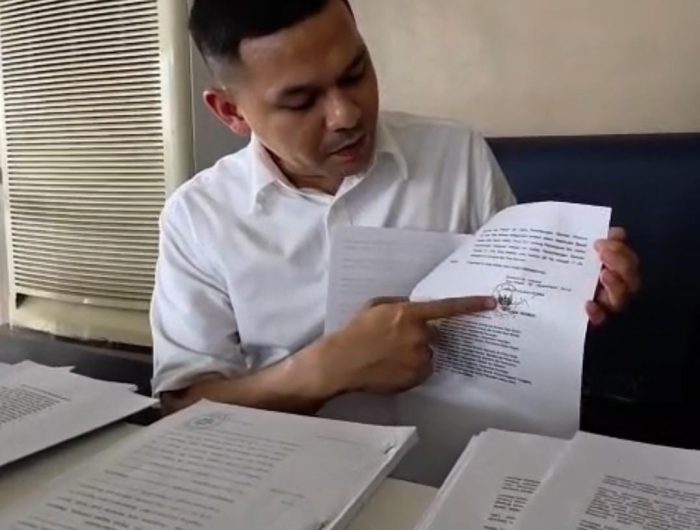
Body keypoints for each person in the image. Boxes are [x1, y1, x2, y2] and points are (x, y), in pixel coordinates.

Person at [151, 0, 640, 424]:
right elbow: (183, 405)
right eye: (301, 101)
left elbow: (516, 314)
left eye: (355, 73)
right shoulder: (197, 217)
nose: (346, 115)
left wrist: (572, 290)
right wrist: (324, 370)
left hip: (465, 456)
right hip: (295, 474)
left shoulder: (455, 154)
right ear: (231, 112)